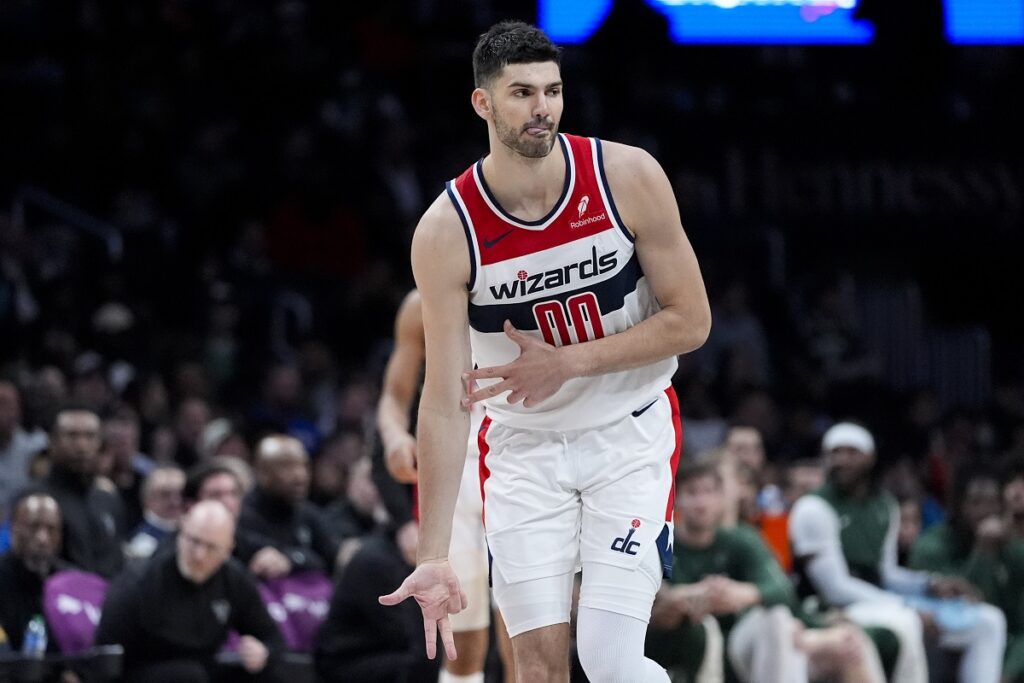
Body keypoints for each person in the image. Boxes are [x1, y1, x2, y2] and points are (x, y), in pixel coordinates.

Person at [379, 21, 711, 683]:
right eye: (523, 92)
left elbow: (692, 320)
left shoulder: (626, 176)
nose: (542, 108)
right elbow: (443, 398)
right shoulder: (448, 230)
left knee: (611, 660)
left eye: (553, 91)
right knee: (535, 669)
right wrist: (434, 551)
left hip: (629, 434)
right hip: (523, 451)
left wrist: (569, 361)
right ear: (484, 103)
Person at [789, 422, 1006, 683]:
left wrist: (930, 585)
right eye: (834, 452)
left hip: (879, 600)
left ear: (870, 458)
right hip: (829, 606)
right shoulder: (813, 508)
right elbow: (835, 588)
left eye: (850, 452)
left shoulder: (885, 505)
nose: (841, 460)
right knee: (909, 622)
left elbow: (887, 574)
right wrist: (905, 605)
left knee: (989, 621)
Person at [646, 460, 885, 683]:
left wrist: (742, 593)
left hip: (749, 646)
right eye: (692, 493)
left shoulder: (740, 539)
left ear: (722, 499)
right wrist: (700, 594)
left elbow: (782, 589)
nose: (701, 502)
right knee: (774, 627)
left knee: (848, 642)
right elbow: (657, 598)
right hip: (682, 643)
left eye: (708, 492)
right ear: (676, 498)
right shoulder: (660, 541)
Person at [376, 289, 502, 683]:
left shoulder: (522, 278)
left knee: (527, 634)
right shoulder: (421, 305)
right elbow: (393, 398)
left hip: (518, 461)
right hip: (453, 472)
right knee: (461, 645)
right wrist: (395, 436)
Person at [95, 500, 284, 682]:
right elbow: (106, 650)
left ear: (228, 549)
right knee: (189, 675)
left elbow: (272, 637)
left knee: (264, 673)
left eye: (211, 547)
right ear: (181, 532)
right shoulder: (140, 580)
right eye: (194, 541)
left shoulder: (234, 579)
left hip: (204, 668)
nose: (199, 555)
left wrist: (263, 652)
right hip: (145, 670)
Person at [908, 464, 1024, 682]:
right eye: (975, 502)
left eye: (993, 502)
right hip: (944, 645)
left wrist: (1008, 672)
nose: (985, 512)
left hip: (1003, 650)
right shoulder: (931, 547)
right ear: (958, 505)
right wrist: (982, 552)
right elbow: (969, 606)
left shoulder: (1009, 546)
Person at [32, 407, 126, 578]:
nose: (82, 446)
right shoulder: (33, 500)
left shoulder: (107, 499)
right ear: (52, 442)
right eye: (72, 436)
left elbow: (118, 560)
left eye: (90, 436)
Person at [235, 435, 341, 580]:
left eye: (303, 465)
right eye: (286, 466)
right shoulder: (242, 515)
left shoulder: (310, 514)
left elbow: (333, 559)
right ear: (262, 471)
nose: (300, 476)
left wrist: (291, 559)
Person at [0, 492, 65, 652]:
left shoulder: (70, 582)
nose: (43, 538)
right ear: (14, 529)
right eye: (33, 526)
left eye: (51, 529)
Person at [0, 380, 48, 524]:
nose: (6, 411)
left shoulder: (37, 447)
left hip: (22, 525)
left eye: (11, 405)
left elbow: (42, 490)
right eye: (1, 404)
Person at [126, 466, 186, 560]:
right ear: (148, 499)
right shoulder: (143, 544)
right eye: (165, 495)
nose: (176, 501)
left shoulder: (186, 530)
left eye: (181, 494)